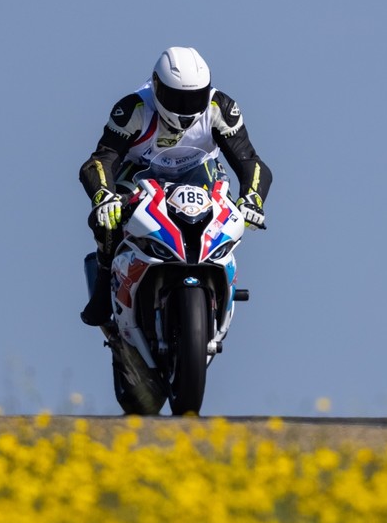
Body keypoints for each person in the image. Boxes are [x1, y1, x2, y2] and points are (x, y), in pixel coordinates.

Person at [79, 46, 272, 327]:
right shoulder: (133, 109)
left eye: (194, 98)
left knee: (230, 215)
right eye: (177, 98)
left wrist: (253, 199)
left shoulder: (221, 107)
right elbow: (100, 160)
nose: (185, 109)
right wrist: (103, 196)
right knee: (107, 220)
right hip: (140, 175)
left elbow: (250, 162)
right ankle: (105, 284)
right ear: (156, 87)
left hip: (201, 174)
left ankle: (219, 280)